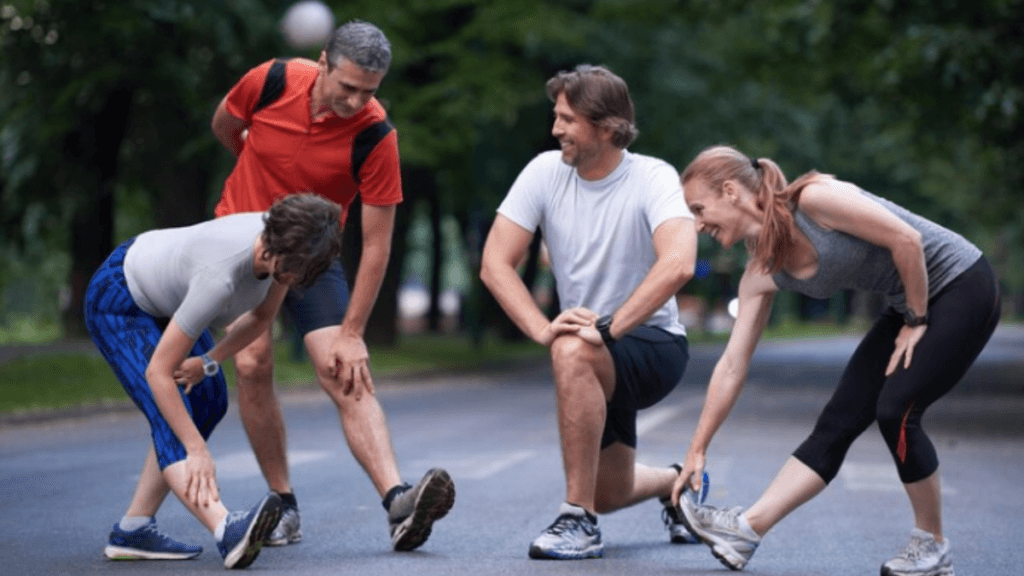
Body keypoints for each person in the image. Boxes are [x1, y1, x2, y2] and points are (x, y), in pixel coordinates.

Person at [670, 145, 1001, 576]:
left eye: (699, 209)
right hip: (908, 303)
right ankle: (746, 530)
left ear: (731, 191)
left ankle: (932, 545)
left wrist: (917, 318)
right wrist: (697, 449)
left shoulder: (815, 200)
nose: (697, 224)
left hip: (962, 284)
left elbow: (908, 239)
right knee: (838, 421)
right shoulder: (759, 272)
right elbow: (732, 363)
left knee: (896, 409)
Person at [209, 20, 454, 551]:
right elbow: (225, 125)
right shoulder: (270, 80)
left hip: (316, 255)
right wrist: (252, 166)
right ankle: (284, 504)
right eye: (348, 86)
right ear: (322, 62)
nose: (357, 100)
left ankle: (398, 501)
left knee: (344, 368)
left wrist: (354, 331)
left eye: (369, 90)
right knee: (251, 365)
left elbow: (379, 245)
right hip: (244, 242)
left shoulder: (374, 134)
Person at [480, 64, 704, 560]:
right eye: (555, 116)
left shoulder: (652, 177)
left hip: (653, 344)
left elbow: (679, 262)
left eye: (567, 119)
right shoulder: (544, 172)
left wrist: (609, 327)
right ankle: (679, 483)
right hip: (593, 350)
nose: (555, 128)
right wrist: (541, 328)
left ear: (607, 128)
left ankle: (577, 519)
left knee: (574, 346)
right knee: (612, 492)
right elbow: (496, 263)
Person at [84, 193, 344, 569]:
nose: (302, 282)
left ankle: (133, 528)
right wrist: (197, 450)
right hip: (120, 300)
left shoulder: (287, 242)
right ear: (278, 253)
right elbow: (158, 374)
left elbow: (259, 318)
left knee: (209, 400)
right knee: (173, 410)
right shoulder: (220, 277)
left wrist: (208, 362)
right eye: (300, 272)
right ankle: (226, 529)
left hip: (169, 300)